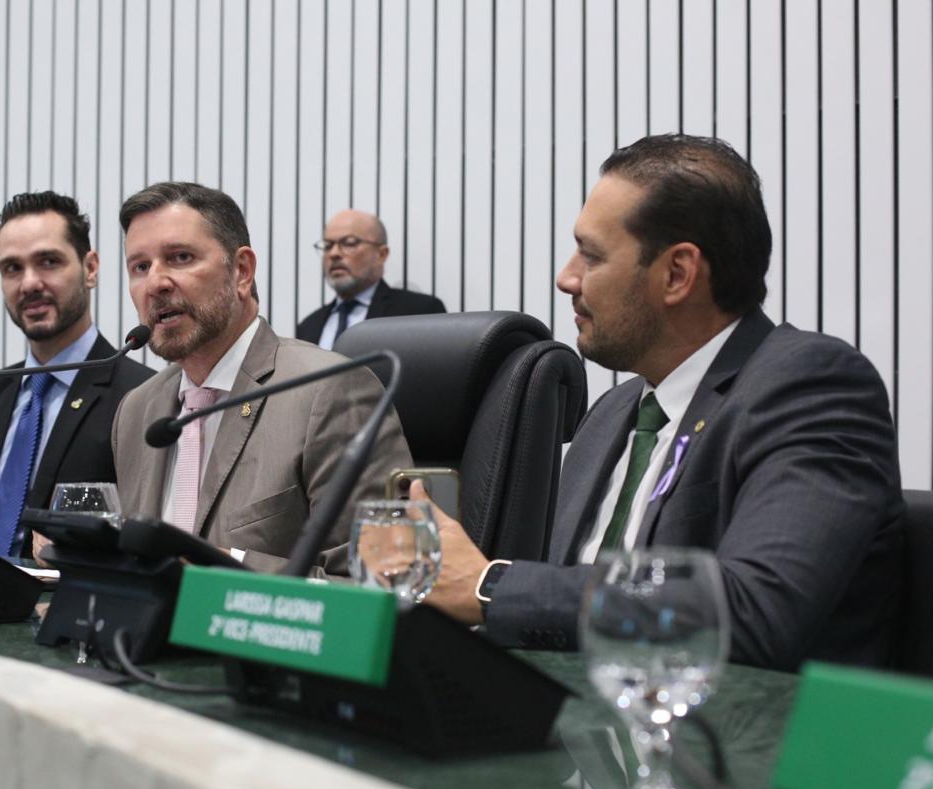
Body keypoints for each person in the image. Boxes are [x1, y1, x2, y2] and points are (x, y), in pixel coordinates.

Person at [421, 134, 903, 672]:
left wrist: (491, 587)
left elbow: (755, 614)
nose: (566, 278)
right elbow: (555, 616)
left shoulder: (809, 386)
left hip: (733, 744)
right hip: (577, 730)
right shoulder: (607, 417)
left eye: (591, 255)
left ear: (677, 274)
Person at [112, 182, 412, 574]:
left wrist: (223, 569)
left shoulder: (332, 392)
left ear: (241, 271)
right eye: (140, 267)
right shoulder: (137, 411)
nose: (156, 283)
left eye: (180, 257)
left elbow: (380, 582)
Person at [0, 191, 153, 557]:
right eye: (12, 268)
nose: (29, 283)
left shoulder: (142, 396)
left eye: (48, 261)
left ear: (91, 268)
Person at [295, 209, 446, 348]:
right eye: (328, 246)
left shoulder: (419, 313)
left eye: (349, 243)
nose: (334, 253)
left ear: (381, 254)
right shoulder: (308, 326)